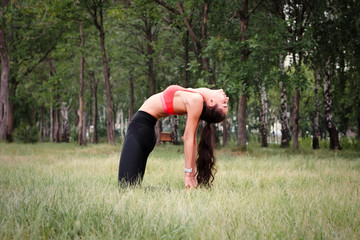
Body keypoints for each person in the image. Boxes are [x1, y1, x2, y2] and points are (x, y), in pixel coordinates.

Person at [118, 85, 229, 189]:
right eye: (225, 103)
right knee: (131, 186)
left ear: (211, 102)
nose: (227, 98)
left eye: (224, 103)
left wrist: (189, 175)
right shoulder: (197, 97)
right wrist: (191, 175)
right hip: (144, 130)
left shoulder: (196, 100)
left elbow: (189, 138)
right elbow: (192, 140)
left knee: (125, 187)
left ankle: (170, 192)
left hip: (140, 129)